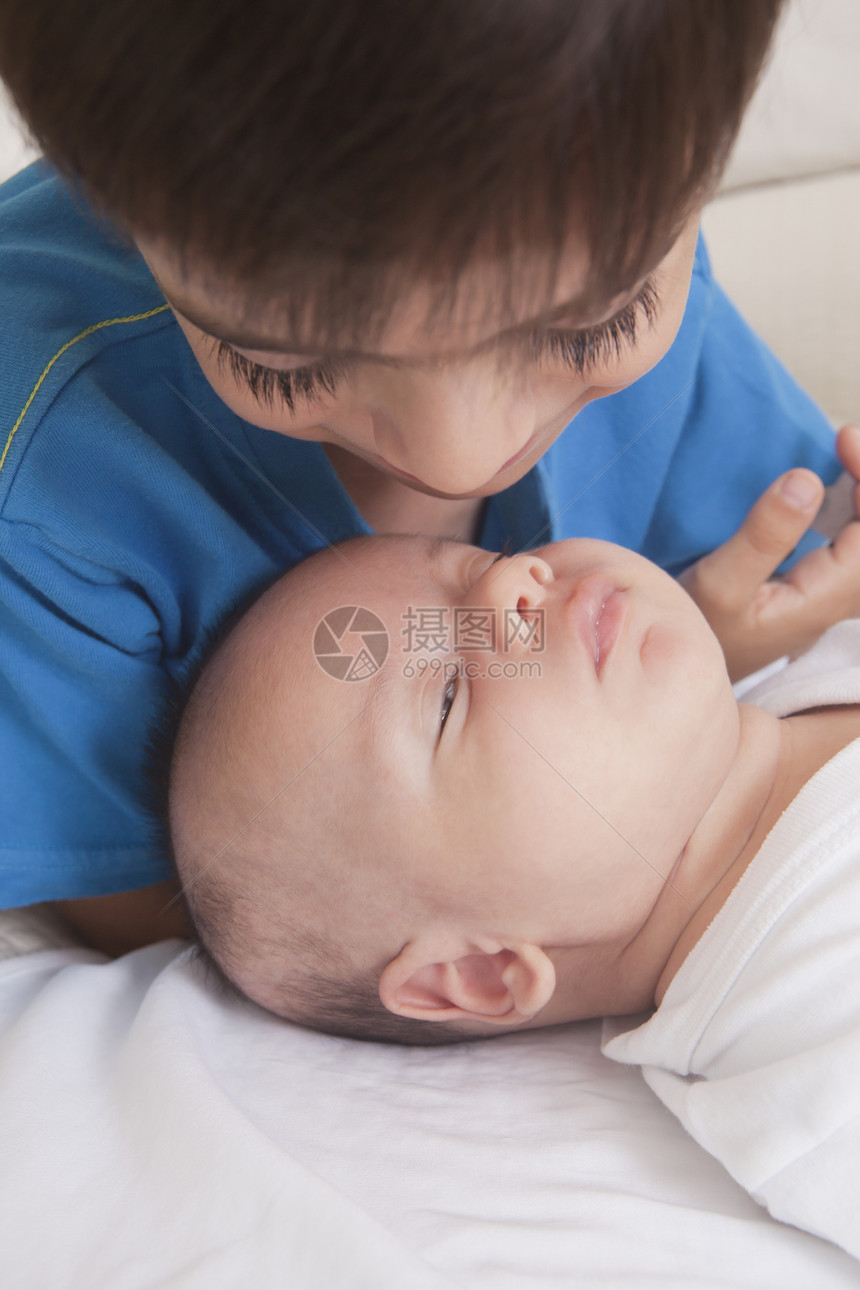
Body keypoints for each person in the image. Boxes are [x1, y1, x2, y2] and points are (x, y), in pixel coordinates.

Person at [0, 0, 854, 954]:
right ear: (115, 209)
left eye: (594, 324)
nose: (462, 461)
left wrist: (720, 645)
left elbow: (802, 576)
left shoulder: (625, 174)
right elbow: (189, 939)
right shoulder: (42, 491)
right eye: (287, 365)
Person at [162, 477, 860, 1260]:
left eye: (486, 559)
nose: (512, 582)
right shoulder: (806, 1057)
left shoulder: (820, 656)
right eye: (450, 694)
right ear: (484, 971)